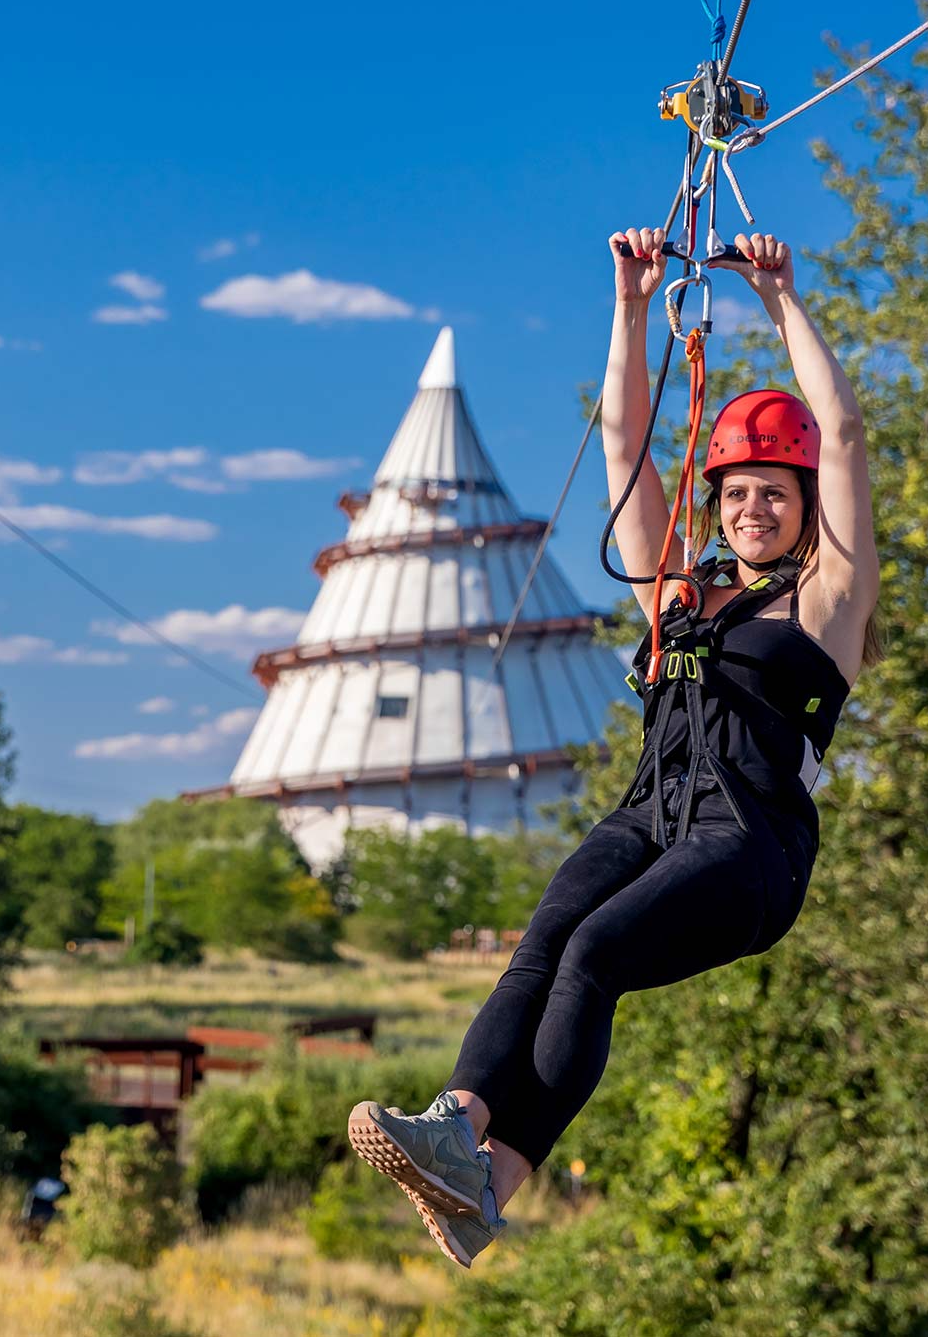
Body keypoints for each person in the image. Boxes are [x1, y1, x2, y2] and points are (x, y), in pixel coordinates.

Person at [347, 227, 883, 1268]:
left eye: (775, 491)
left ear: (805, 505)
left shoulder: (828, 605)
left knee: (597, 954)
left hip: (749, 847)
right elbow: (624, 443)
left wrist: (780, 301)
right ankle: (457, 1139)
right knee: (544, 942)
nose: (753, 507)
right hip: (649, 816)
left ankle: (492, 1179)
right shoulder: (678, 596)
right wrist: (631, 303)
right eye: (735, 494)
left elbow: (847, 434)